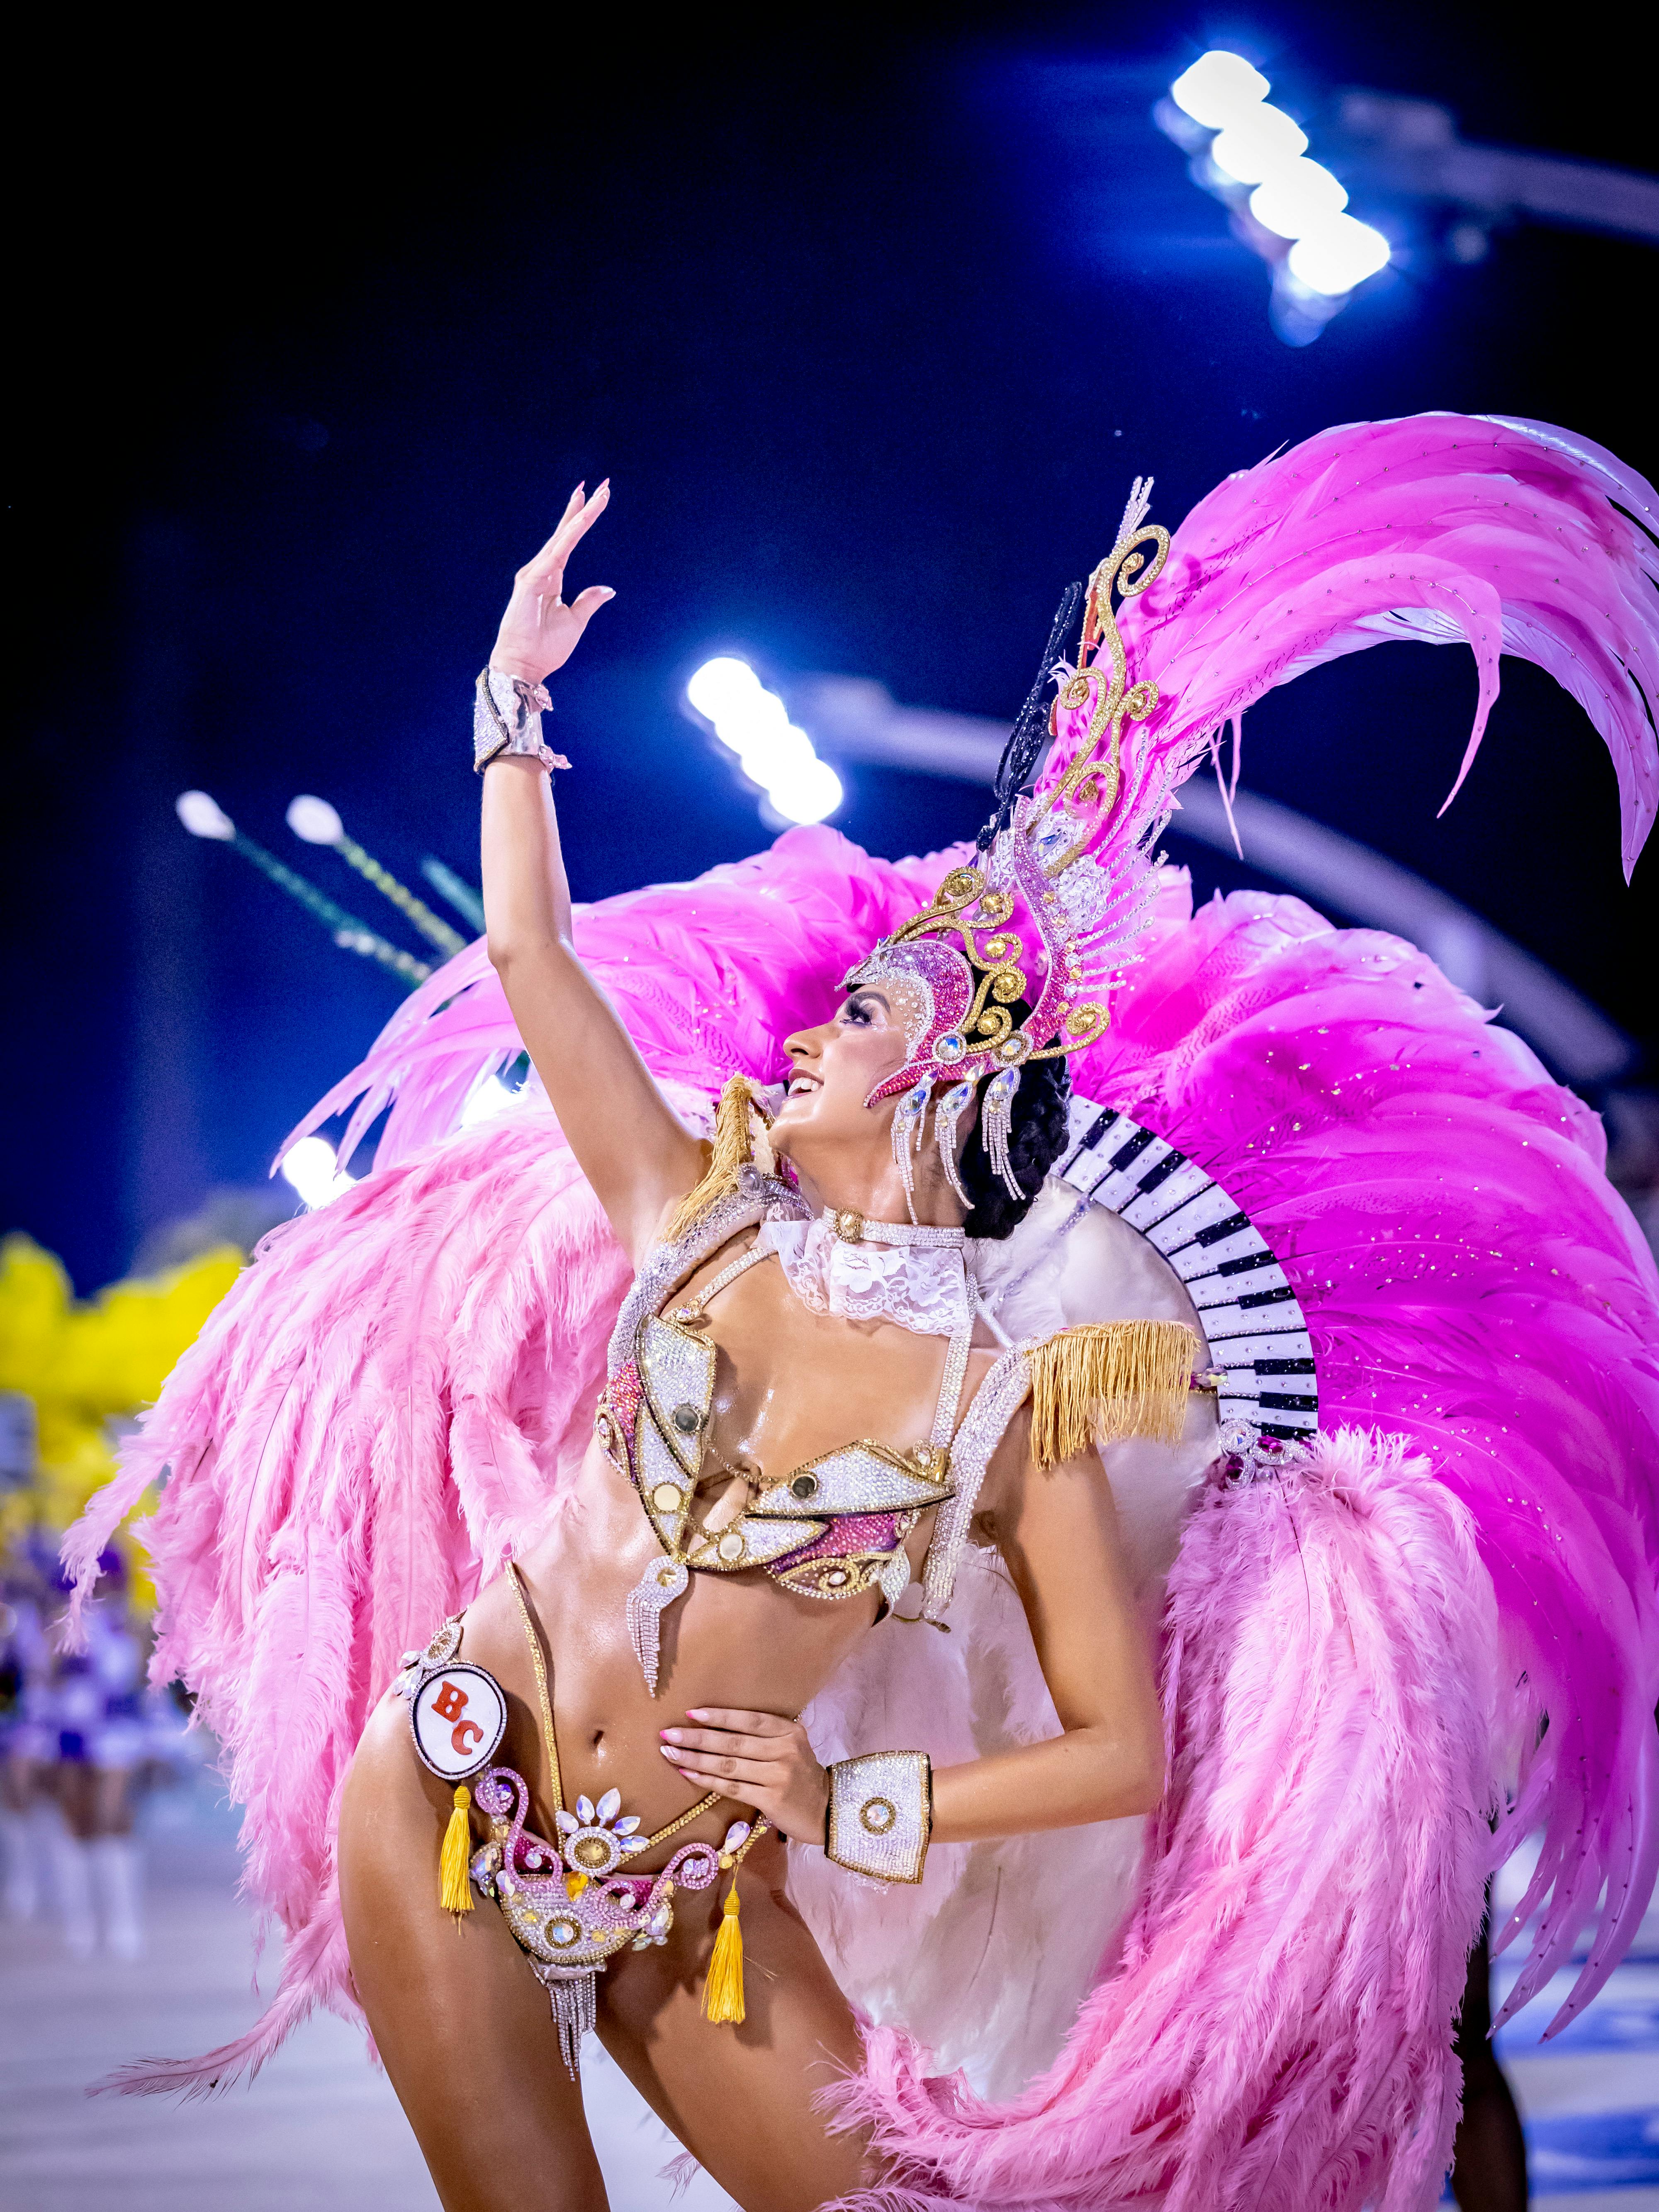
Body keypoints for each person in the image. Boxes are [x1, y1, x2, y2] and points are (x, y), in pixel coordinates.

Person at [68, 414, 1659, 2212]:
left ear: (947, 1086)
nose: (813, 1030)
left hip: (695, 1892)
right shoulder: (691, 1219)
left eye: (864, 1015)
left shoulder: (1007, 1412)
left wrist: (851, 1805)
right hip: (450, 1781)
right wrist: (510, 702)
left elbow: (1113, 1749)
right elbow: (531, 953)